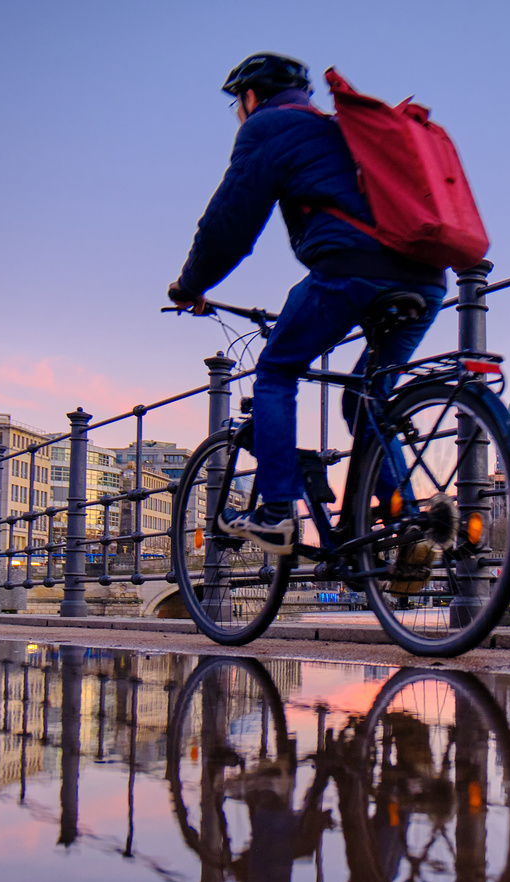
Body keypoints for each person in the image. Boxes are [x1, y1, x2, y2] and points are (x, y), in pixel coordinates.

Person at [168, 53, 448, 555]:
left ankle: (277, 511)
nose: (238, 113)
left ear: (250, 97)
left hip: (351, 271)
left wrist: (190, 284)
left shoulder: (269, 127)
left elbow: (229, 223)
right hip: (427, 278)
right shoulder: (343, 130)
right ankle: (402, 518)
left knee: (276, 372)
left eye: (237, 103)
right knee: (366, 394)